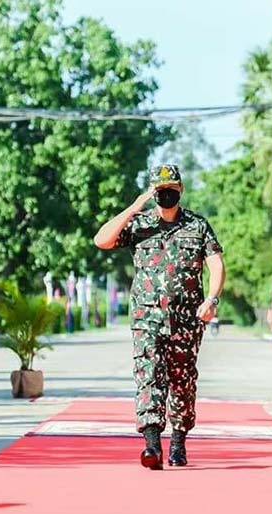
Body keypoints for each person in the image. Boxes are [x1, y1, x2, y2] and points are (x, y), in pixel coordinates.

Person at [93, 164, 225, 470]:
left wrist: (211, 299)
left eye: (171, 189)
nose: (166, 195)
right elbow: (102, 240)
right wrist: (135, 206)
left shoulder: (197, 225)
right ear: (153, 192)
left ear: (181, 190)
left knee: (182, 380)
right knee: (148, 375)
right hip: (146, 318)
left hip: (186, 319)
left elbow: (216, 264)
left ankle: (178, 442)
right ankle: (152, 446)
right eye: (160, 190)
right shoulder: (139, 224)